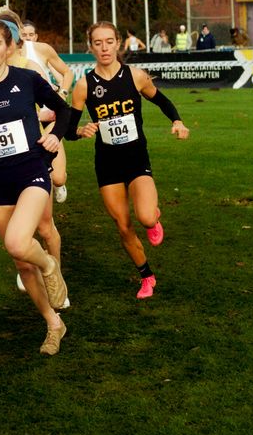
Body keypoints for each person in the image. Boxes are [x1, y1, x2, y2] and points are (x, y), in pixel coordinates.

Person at [0, 17, 73, 355]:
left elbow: (63, 112)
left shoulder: (28, 79)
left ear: (9, 47)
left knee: (19, 243)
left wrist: (54, 138)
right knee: (20, 262)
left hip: (32, 172)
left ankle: (50, 265)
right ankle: (53, 323)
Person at [66, 21, 189, 301]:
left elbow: (163, 101)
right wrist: (80, 131)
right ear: (90, 47)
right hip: (107, 164)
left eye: (109, 41)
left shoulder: (135, 76)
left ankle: (154, 219)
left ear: (119, 43)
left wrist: (178, 121)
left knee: (144, 217)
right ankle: (146, 276)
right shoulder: (84, 85)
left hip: (136, 158)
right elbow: (69, 131)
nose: (104, 47)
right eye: (98, 43)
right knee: (123, 225)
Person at [5, 11, 73, 205]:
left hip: (49, 118)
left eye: (28, 34)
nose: (25, 37)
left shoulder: (40, 50)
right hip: (26, 124)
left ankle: (58, 183)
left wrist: (62, 94)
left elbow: (67, 73)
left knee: (58, 178)